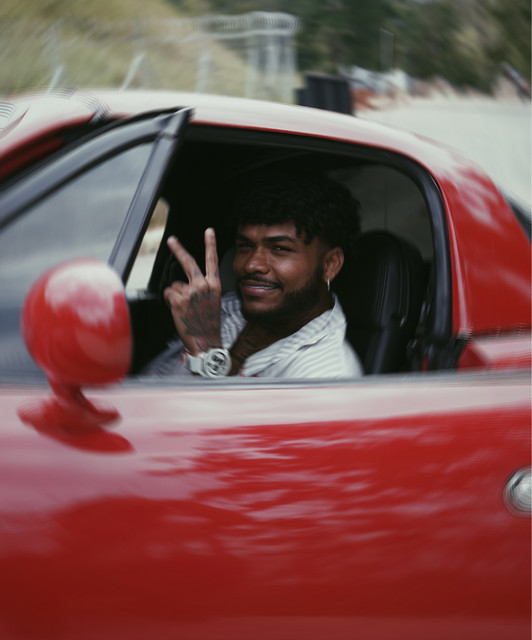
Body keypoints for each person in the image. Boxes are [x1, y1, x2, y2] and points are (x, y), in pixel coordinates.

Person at [148, 172, 364, 379]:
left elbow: (198, 407)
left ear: (329, 265)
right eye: (245, 246)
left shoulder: (327, 374)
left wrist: (207, 352)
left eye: (280, 249)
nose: (252, 264)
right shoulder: (224, 308)